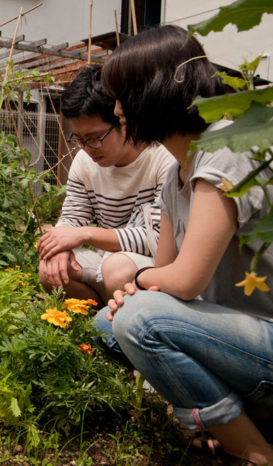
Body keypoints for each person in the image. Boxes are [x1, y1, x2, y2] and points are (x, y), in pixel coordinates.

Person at [96, 25, 273, 465]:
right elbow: (166, 276)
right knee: (110, 324)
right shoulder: (172, 174)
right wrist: (143, 286)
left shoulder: (225, 150)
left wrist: (136, 281)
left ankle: (255, 454)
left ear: (154, 91)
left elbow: (182, 278)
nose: (118, 109)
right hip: (238, 346)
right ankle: (236, 423)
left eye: (123, 95)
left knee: (137, 317)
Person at [37, 64, 174, 305]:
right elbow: (71, 218)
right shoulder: (84, 162)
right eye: (79, 139)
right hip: (107, 264)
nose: (87, 148)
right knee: (51, 269)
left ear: (124, 121)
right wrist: (59, 248)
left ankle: (120, 329)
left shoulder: (162, 158)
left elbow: (158, 239)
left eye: (95, 138)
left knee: (117, 268)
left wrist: (86, 234)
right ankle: (97, 326)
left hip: (151, 267)